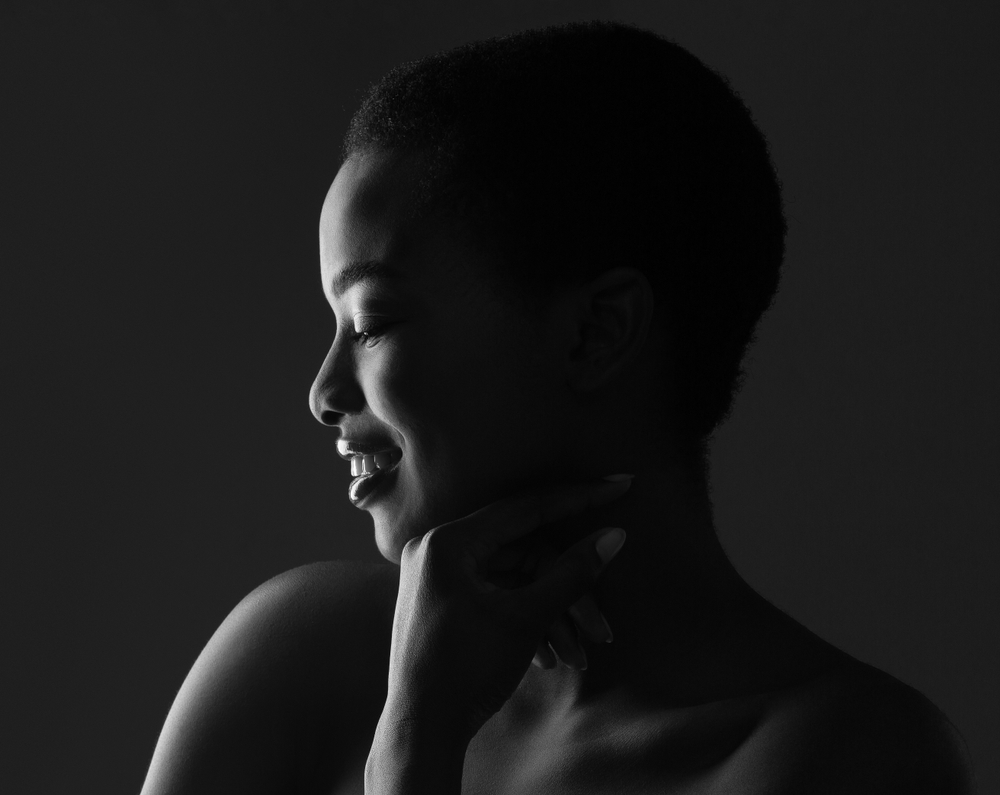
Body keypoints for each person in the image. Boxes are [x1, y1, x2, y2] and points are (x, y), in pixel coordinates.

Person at [140, 20, 975, 795]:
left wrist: (415, 746)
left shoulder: (849, 756)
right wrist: (413, 716)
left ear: (596, 332)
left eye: (373, 322)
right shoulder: (299, 661)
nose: (323, 392)